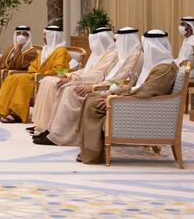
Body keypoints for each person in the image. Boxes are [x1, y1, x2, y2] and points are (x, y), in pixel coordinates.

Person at [77, 29, 179, 164]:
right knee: (92, 97)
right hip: (139, 104)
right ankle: (88, 149)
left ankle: (93, 154)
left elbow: (146, 92)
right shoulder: (157, 64)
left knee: (93, 105)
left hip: (144, 110)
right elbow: (137, 85)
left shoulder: (165, 68)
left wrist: (114, 99)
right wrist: (112, 93)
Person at [36, 27, 143, 146]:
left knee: (70, 91)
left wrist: (92, 87)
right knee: (66, 87)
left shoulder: (133, 57)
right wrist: (72, 76)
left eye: (119, 40)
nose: (116, 43)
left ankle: (62, 135)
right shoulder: (125, 55)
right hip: (102, 85)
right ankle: (53, 131)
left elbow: (118, 81)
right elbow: (97, 74)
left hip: (107, 89)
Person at [30, 27, 118, 135]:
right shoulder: (97, 54)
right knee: (46, 81)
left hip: (91, 83)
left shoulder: (112, 55)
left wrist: (72, 77)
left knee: (56, 84)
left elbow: (98, 75)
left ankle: (55, 130)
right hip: (84, 79)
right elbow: (85, 70)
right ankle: (42, 125)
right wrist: (68, 75)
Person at [0, 25, 70, 123]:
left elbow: (61, 69)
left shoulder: (61, 51)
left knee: (22, 80)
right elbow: (34, 65)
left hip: (44, 77)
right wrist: (34, 71)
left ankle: (17, 113)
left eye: (45, 35)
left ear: (53, 36)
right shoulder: (45, 49)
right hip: (35, 75)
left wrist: (41, 74)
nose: (44, 37)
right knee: (11, 78)